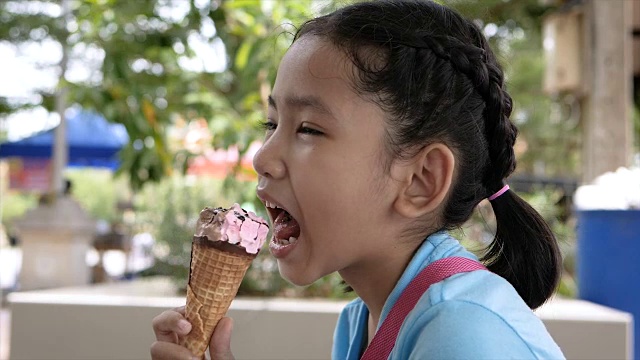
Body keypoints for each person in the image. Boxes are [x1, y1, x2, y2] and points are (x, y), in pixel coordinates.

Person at [151, 1, 565, 359]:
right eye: (271, 122)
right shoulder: (362, 321)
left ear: (421, 180)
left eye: (308, 129)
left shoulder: (461, 331)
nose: (262, 157)